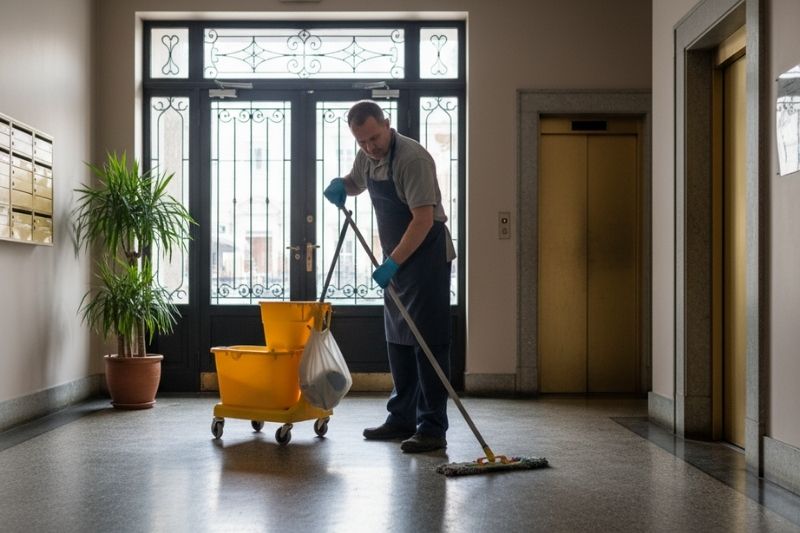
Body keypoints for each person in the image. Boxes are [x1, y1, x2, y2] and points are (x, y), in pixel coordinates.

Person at [323, 100, 456, 453]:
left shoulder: (412, 159)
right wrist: (341, 186)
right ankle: (401, 418)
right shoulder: (367, 156)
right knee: (398, 339)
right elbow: (356, 182)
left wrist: (393, 263)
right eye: (362, 142)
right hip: (396, 259)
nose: (370, 147)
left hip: (424, 256)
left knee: (427, 343)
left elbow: (423, 220)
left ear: (387, 123)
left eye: (374, 138)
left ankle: (431, 427)